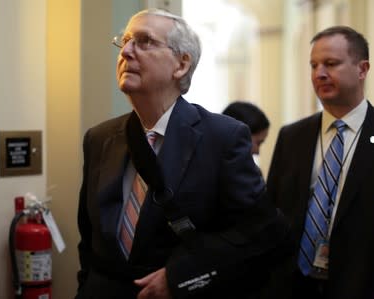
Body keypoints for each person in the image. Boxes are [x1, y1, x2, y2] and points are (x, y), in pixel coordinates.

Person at [75, 8, 288, 299]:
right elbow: (90, 241)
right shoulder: (99, 139)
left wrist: (181, 278)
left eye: (144, 41)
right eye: (124, 41)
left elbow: (258, 233)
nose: (125, 51)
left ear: (181, 64)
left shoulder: (222, 138)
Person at [263, 25, 373, 299]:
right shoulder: (292, 136)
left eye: (331, 64)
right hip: (294, 287)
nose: (319, 74)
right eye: (314, 65)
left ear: (362, 69)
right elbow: (271, 214)